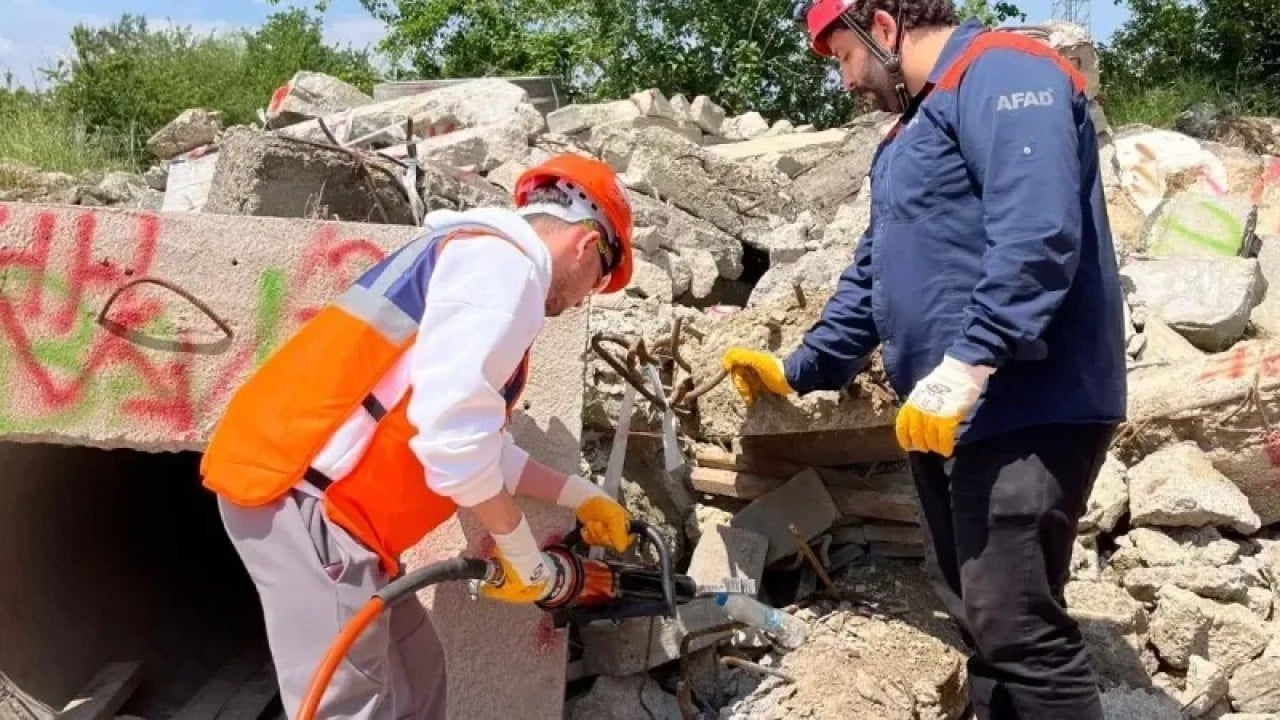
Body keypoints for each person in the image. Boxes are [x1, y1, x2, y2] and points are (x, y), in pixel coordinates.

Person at [721, 2, 1127, 718]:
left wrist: (971, 362)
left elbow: (1038, 232)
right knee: (978, 614)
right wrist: (804, 366)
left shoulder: (1001, 71)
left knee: (1019, 627)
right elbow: (876, 269)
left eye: (842, 55)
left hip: (1027, 402)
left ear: (881, 25)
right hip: (948, 415)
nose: (844, 80)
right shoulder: (913, 130)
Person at [199, 153, 638, 720]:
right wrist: (523, 553)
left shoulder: (477, 263)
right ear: (586, 246)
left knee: (418, 675)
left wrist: (578, 494)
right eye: (599, 283)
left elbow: (475, 439)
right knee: (351, 708)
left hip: (339, 521)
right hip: (308, 509)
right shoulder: (502, 270)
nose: (583, 299)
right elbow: (453, 437)